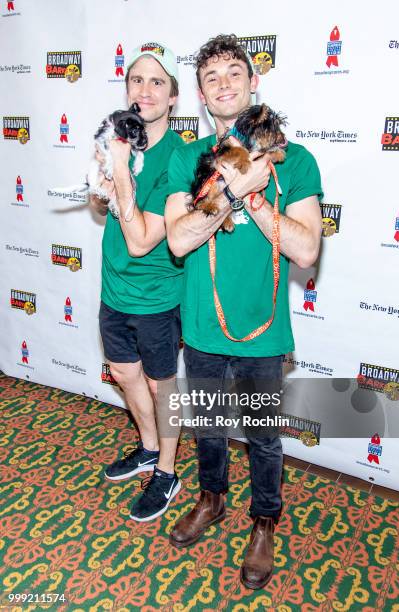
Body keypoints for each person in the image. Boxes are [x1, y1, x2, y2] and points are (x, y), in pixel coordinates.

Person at [165, 34, 323, 589]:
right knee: (207, 426)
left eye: (235, 72)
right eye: (212, 78)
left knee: (261, 435)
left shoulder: (294, 159)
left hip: (263, 332)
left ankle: (264, 523)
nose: (224, 84)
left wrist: (254, 193)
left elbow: (306, 250)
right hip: (203, 327)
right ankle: (211, 499)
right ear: (202, 96)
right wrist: (230, 193)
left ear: (254, 81)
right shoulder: (187, 158)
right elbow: (179, 240)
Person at [91, 42, 184, 522]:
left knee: (161, 384)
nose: (143, 90)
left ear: (173, 98)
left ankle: (167, 471)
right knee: (125, 375)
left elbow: (143, 241)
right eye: (136, 80)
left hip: (156, 295)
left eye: (156, 82)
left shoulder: (182, 158)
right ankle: (148, 448)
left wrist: (121, 169)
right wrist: (103, 183)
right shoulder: (118, 138)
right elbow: (101, 207)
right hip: (113, 289)